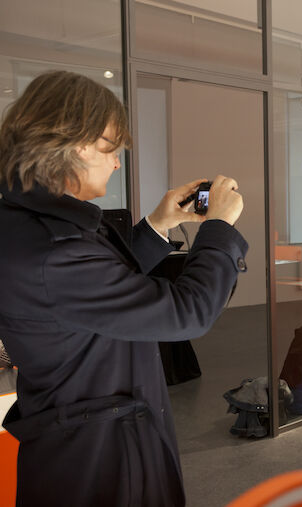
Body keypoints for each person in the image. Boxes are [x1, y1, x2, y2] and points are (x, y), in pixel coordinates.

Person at [0, 71, 247, 506]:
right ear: (76, 144)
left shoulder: (32, 223)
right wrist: (219, 228)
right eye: (110, 149)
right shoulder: (54, 250)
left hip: (86, 435)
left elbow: (104, 285)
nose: (116, 162)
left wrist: (158, 223)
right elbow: (189, 311)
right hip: (99, 457)